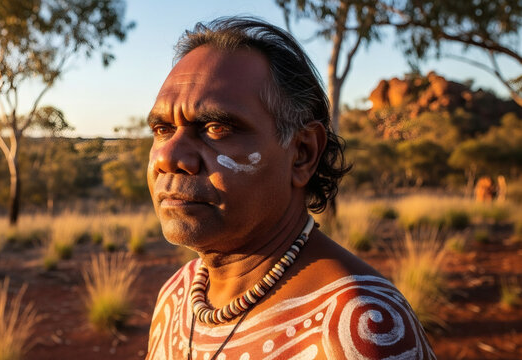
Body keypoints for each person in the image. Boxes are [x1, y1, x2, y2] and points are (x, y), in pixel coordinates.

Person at [145, 17, 435, 360]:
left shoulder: (358, 328)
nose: (167, 156)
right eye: (162, 129)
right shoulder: (175, 296)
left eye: (215, 127)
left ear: (302, 153)